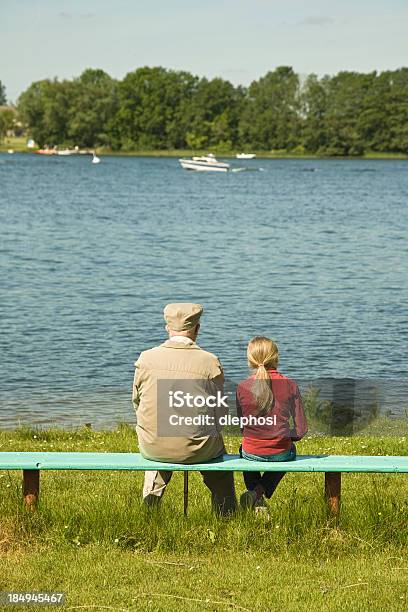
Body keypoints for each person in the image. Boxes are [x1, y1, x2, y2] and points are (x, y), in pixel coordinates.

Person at [132, 303, 237, 515]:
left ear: (167, 328)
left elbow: (137, 402)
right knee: (218, 460)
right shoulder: (209, 362)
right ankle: (227, 515)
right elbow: (220, 414)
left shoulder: (146, 358)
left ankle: (149, 510)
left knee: (159, 443)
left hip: (153, 446)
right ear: (197, 329)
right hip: (199, 449)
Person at [236, 336, 308, 510]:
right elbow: (301, 430)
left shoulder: (242, 387)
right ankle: (257, 494)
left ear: (251, 360)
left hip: (251, 451)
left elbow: (242, 427)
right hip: (281, 452)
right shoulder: (289, 385)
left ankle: (255, 497)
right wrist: (285, 436)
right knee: (289, 452)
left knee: (244, 450)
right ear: (276, 357)